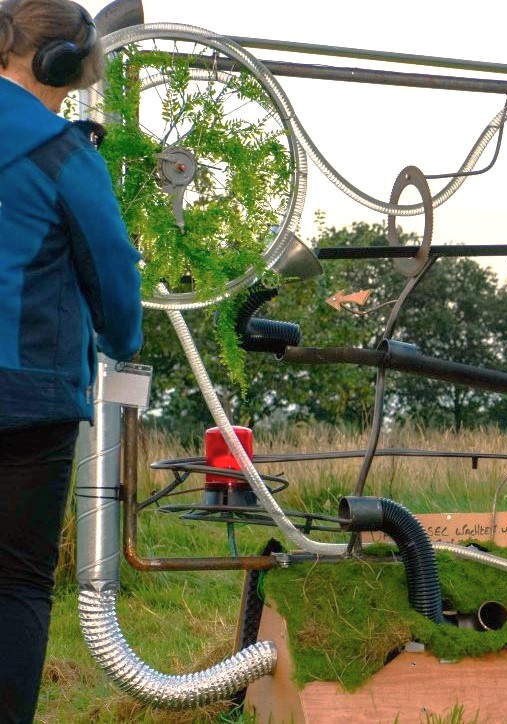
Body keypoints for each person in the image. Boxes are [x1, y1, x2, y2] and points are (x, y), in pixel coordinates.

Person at [0, 0, 143, 719]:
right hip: (23, 400)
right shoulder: (63, 155)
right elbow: (114, 275)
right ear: (66, 63)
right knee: (16, 584)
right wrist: (123, 341)